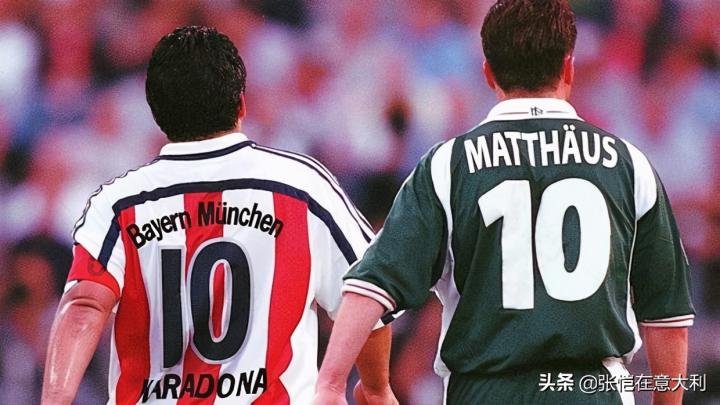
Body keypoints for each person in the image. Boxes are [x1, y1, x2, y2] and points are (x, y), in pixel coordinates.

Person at [315, 1, 694, 404]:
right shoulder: (629, 164)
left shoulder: (448, 165)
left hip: (483, 390)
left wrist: (332, 383)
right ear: (568, 68)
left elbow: (370, 286)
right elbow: (668, 320)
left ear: (488, 73)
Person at [41, 26, 396, 405]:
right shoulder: (301, 187)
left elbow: (84, 304)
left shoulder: (119, 204)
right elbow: (366, 290)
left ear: (156, 111)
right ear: (241, 103)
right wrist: (375, 388)